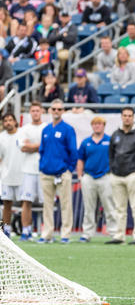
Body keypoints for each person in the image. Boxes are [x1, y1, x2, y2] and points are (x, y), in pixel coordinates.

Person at [106, 107, 135, 245]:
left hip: (133, 175)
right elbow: (111, 154)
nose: (127, 118)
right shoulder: (115, 134)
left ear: (133, 117)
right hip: (117, 175)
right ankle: (119, 235)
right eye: (125, 115)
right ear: (121, 117)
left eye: (130, 115)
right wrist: (112, 169)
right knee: (119, 208)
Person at [38, 99, 78, 244]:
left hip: (62, 173)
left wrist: (68, 169)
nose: (56, 111)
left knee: (66, 204)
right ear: (50, 110)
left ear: (63, 111)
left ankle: (65, 234)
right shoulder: (46, 129)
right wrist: (41, 167)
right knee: (47, 205)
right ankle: (47, 233)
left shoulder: (68, 129)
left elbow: (73, 152)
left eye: (59, 109)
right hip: (46, 173)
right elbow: (41, 150)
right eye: (54, 109)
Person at [77, 116, 116, 242]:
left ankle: (114, 232)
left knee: (109, 206)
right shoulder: (86, 142)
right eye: (94, 124)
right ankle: (87, 233)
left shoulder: (110, 141)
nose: (97, 126)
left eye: (99, 124)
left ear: (103, 125)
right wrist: (79, 175)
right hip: (89, 176)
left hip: (105, 176)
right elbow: (80, 159)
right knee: (89, 207)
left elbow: (115, 158)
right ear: (92, 126)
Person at [17, 102, 47, 241]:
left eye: (38, 110)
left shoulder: (47, 128)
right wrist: (40, 146)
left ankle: (46, 231)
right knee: (26, 201)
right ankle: (26, 230)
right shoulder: (24, 129)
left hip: (44, 169)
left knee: (47, 202)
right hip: (28, 169)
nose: (35, 113)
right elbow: (23, 147)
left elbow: (48, 147)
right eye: (33, 111)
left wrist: (32, 145)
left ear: (42, 112)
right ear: (30, 112)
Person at [0, 114, 24, 238]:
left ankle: (26, 231)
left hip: (22, 175)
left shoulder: (22, 134)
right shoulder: (1, 137)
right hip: (6, 176)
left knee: (25, 203)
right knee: (7, 204)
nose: (8, 122)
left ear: (15, 122)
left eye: (10, 120)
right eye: (5, 121)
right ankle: (6, 230)